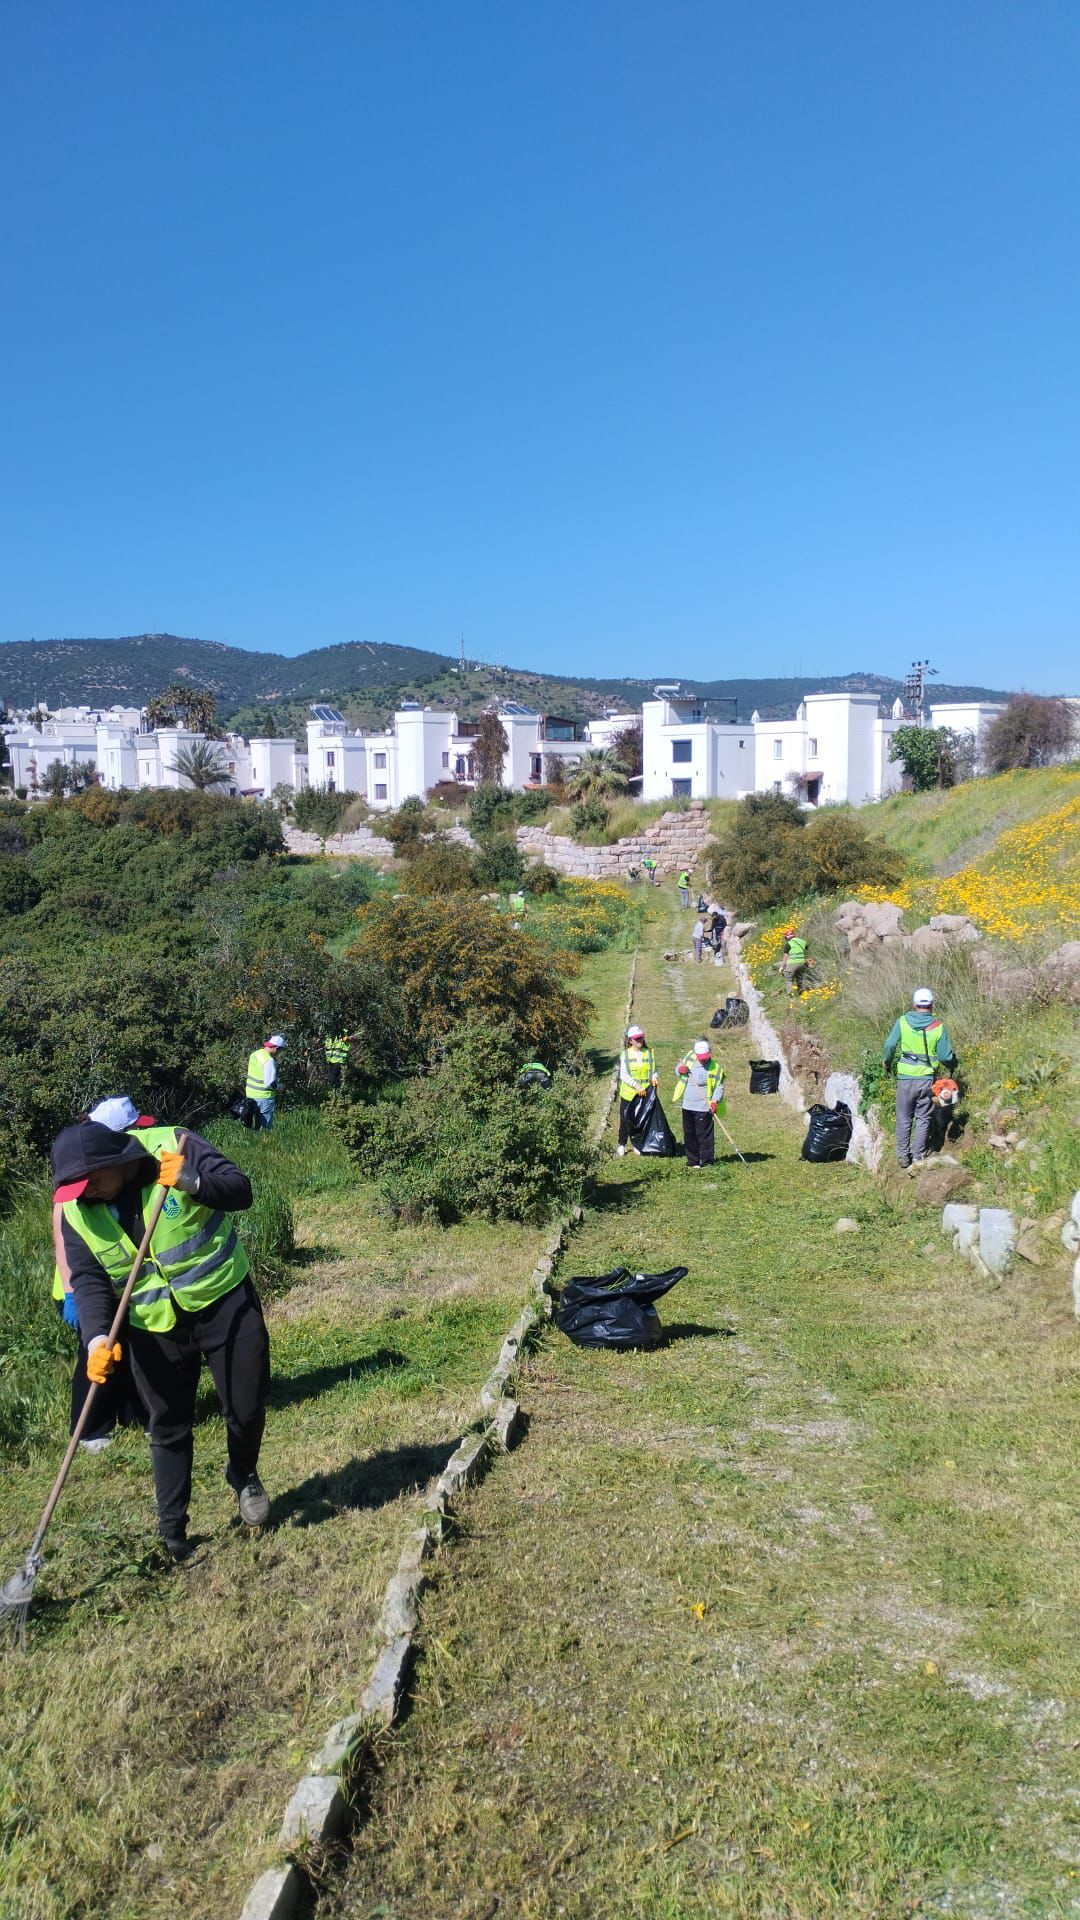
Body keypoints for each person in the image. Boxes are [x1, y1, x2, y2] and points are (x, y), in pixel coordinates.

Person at [51, 1117, 270, 1562]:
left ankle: (243, 1472)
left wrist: (194, 1181)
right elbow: (90, 1280)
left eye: (91, 1183)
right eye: (75, 1190)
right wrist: (95, 1339)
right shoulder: (78, 1209)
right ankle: (172, 1534)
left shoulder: (175, 1144)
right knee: (167, 1425)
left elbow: (240, 1189)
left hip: (224, 1299)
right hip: (153, 1325)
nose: (86, 1194)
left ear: (115, 1161)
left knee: (245, 1406)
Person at [51, 1095, 152, 1453]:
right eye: (130, 1131)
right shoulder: (78, 1175)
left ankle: (136, 1415)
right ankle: (90, 1429)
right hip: (80, 1286)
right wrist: (71, 1293)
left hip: (116, 1281)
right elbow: (64, 1244)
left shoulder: (113, 1176)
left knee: (126, 1350)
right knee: (94, 1356)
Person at [883, 987, 956, 1172]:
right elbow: (945, 1056)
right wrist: (953, 1064)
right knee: (923, 1118)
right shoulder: (938, 1026)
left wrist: (887, 1062)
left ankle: (902, 1157)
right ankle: (918, 1156)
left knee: (903, 1118)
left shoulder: (902, 1022)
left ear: (914, 1004)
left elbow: (890, 1044)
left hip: (905, 1078)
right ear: (932, 1005)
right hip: (926, 1079)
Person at [672, 1039, 725, 1169]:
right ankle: (693, 1161)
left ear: (710, 1053)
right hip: (687, 1105)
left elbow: (719, 1087)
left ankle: (706, 1161)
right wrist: (680, 1070)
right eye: (701, 1057)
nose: (703, 1060)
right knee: (689, 1134)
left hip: (703, 1106)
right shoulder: (690, 1058)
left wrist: (714, 1101)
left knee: (704, 1135)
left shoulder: (715, 1068)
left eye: (706, 1057)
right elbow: (677, 1069)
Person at [616, 1024, 658, 1156]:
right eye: (636, 1039)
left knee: (640, 1119)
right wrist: (636, 1086)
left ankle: (637, 1143)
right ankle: (622, 1144)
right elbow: (624, 1075)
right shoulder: (625, 1055)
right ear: (630, 1041)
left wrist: (655, 1078)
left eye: (641, 1038)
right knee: (625, 1119)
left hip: (645, 1093)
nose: (639, 1040)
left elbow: (654, 1070)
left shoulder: (649, 1052)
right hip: (629, 1093)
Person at [245, 1033, 285, 1129]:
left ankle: (255, 1141)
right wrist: (280, 1087)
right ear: (276, 1048)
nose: (279, 1053)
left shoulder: (255, 1054)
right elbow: (269, 1084)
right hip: (264, 1097)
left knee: (255, 1125)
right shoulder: (269, 1061)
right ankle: (263, 1143)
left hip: (250, 1094)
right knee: (264, 1128)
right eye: (280, 1050)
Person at [779, 928, 811, 996]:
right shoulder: (803, 941)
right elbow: (807, 950)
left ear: (786, 937)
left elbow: (785, 957)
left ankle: (790, 995)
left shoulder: (788, 944)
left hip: (792, 963)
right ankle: (801, 993)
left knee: (788, 978)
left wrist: (782, 967)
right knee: (799, 978)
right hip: (802, 963)